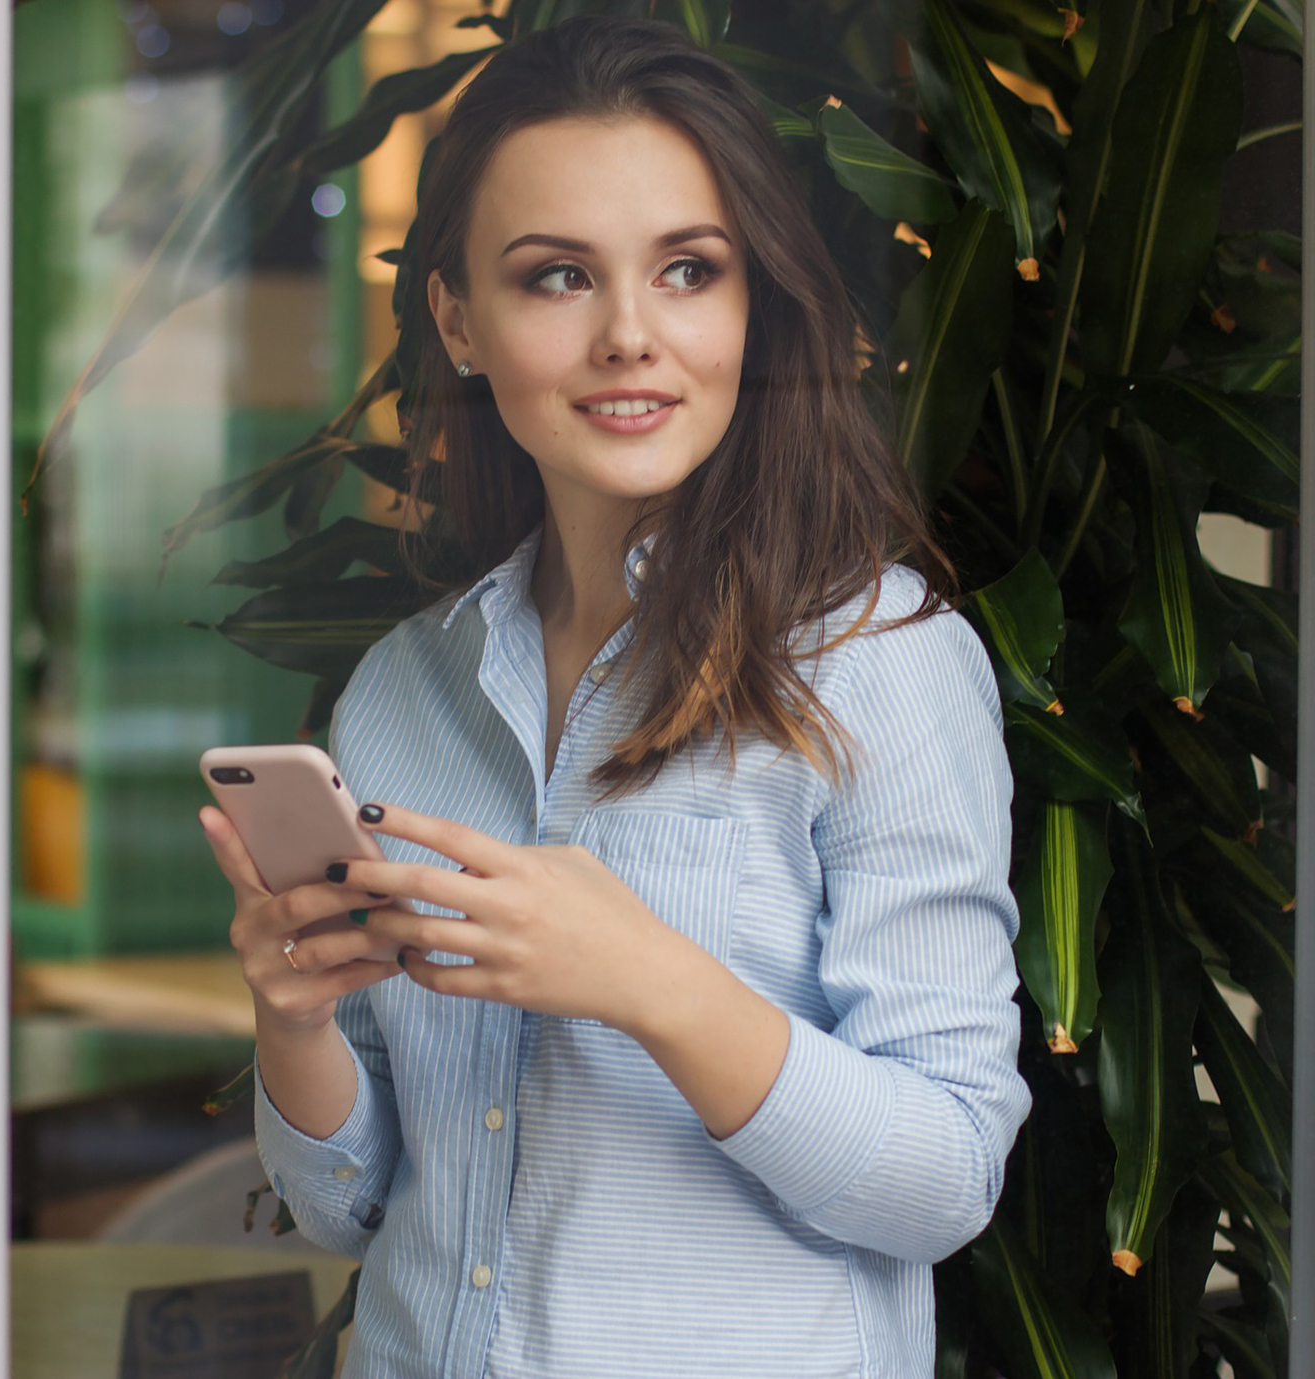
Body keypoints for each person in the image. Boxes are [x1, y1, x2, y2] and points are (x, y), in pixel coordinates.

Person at [198, 17, 1028, 1377]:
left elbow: (942, 1180)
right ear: (459, 320)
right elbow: (346, 1205)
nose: (631, 336)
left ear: (751, 303)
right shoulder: (408, 689)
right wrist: (292, 1015)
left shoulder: (881, 659)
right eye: (559, 277)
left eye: (688, 271)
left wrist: (652, 982)